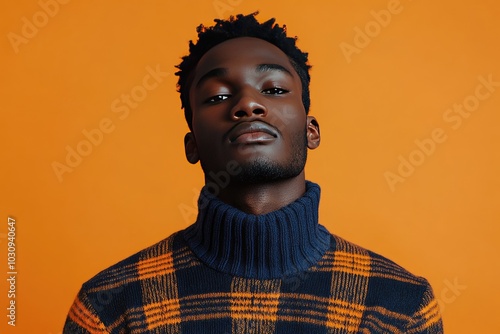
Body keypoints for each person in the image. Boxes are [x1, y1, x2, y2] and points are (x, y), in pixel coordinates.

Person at [63, 12, 444, 333]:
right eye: (218, 97)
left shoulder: (401, 307)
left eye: (274, 89)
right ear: (191, 144)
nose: (248, 103)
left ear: (311, 130)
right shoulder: (109, 308)